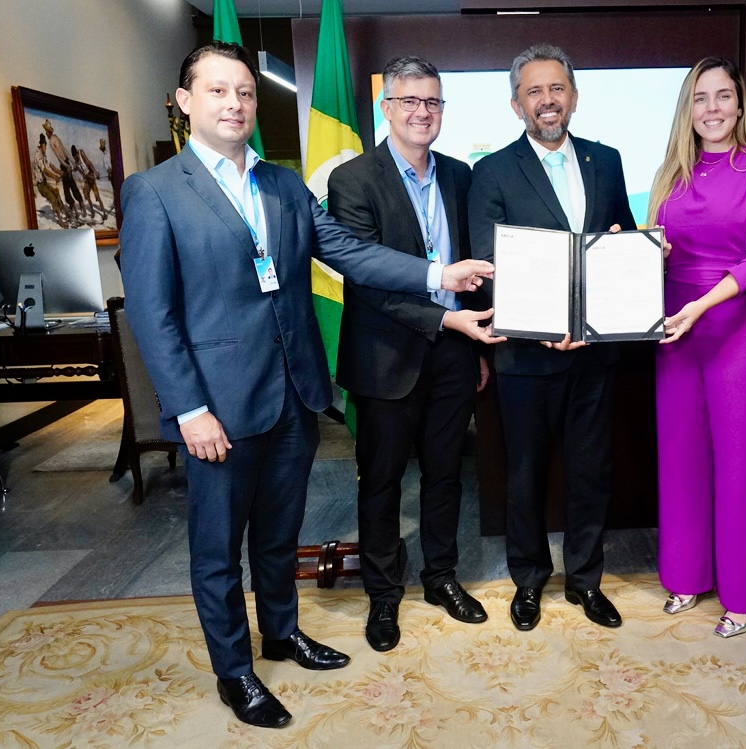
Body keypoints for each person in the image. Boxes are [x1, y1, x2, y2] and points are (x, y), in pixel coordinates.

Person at [119, 42, 492, 729]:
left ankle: (282, 633)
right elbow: (153, 314)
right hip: (217, 408)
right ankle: (236, 672)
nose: (235, 104)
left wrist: (437, 275)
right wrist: (190, 408)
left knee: (277, 534)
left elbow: (346, 250)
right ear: (186, 102)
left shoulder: (283, 185)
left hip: (294, 395)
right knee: (217, 550)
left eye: (245, 93)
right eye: (219, 91)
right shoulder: (155, 192)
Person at [327, 56, 505, 653]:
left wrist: (467, 337)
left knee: (447, 475)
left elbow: (475, 271)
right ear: (387, 108)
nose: (422, 112)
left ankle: (441, 576)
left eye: (432, 102)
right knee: (380, 482)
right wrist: (445, 316)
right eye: (409, 102)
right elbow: (368, 281)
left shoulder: (460, 175)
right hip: (384, 357)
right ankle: (383, 593)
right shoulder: (352, 179)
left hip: (455, 354)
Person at [468, 43, 636, 632]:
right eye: (534, 91)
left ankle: (586, 581)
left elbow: (619, 241)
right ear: (517, 104)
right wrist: (545, 329)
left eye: (557, 88)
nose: (548, 100)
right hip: (525, 356)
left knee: (592, 470)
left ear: (574, 96)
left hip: (595, 354)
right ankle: (530, 581)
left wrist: (636, 249)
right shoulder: (490, 171)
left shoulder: (606, 160)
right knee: (526, 473)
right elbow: (489, 260)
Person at [648, 58, 746, 637]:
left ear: (740, 104)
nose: (712, 108)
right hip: (676, 331)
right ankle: (686, 577)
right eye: (700, 98)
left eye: (723, 96)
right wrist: (632, 251)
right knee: (679, 458)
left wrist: (702, 305)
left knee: (742, 465)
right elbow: (661, 246)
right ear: (688, 108)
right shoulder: (670, 173)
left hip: (738, 329)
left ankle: (744, 594)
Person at [32, 134, 68, 228]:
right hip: (40, 185)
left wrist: (61, 172)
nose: (46, 148)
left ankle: (64, 211)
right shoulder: (38, 155)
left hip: (45, 183)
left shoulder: (44, 155)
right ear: (41, 145)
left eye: (46, 146)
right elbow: (45, 170)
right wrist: (55, 177)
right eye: (44, 146)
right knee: (52, 198)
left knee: (56, 192)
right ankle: (60, 221)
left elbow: (51, 166)